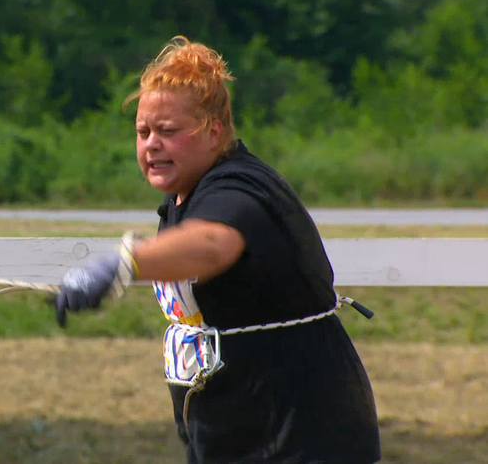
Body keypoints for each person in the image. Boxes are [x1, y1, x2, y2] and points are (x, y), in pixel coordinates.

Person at [53, 36, 381, 463]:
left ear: (213, 131)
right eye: (142, 132)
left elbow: (211, 244)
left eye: (167, 132)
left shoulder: (240, 188)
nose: (151, 143)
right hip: (237, 437)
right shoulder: (181, 199)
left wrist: (125, 262)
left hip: (302, 441)